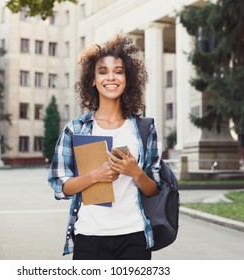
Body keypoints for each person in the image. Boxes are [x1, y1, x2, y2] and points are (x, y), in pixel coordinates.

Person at [48, 34, 163, 260]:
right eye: (103, 71)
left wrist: (135, 172)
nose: (111, 77)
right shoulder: (76, 129)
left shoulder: (143, 128)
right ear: (93, 79)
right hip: (89, 236)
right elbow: (59, 187)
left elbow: (154, 190)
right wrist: (95, 176)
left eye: (118, 71)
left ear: (127, 78)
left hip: (134, 236)